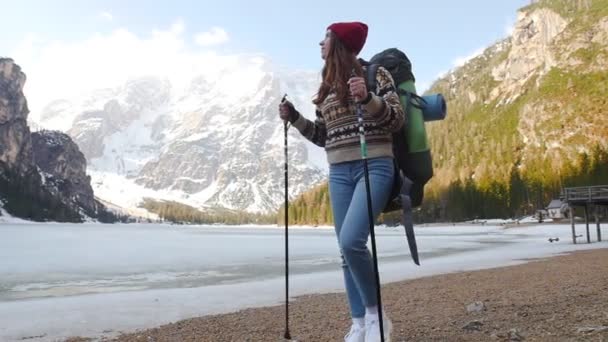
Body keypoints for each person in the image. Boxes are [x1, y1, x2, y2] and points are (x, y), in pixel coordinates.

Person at [279, 21, 405, 342]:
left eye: (325, 38)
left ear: (338, 43)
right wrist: (295, 118)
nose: (319, 44)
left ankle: (377, 317)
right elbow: (324, 136)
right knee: (344, 251)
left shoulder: (375, 75)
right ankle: (359, 322)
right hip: (339, 172)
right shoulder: (326, 88)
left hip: (373, 165)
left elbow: (396, 118)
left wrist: (368, 100)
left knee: (352, 241)